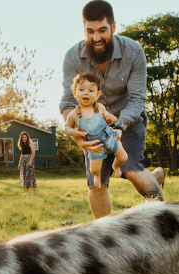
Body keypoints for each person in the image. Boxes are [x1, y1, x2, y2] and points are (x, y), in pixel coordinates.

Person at [60, 0, 164, 219]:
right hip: (91, 126)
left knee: (131, 170)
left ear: (113, 27)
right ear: (84, 29)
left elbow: (137, 99)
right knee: (97, 184)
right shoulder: (72, 56)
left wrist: (118, 128)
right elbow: (68, 101)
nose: (96, 37)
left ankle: (165, 216)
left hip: (128, 119)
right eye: (90, 31)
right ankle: (104, 239)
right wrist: (75, 133)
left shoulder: (134, 51)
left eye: (102, 30)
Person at [65, 72, 128, 188]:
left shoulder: (100, 108)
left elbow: (108, 116)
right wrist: (73, 131)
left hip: (108, 137)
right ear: (74, 93)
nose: (86, 93)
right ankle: (97, 176)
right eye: (82, 89)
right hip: (95, 145)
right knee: (94, 169)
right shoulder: (74, 115)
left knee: (123, 157)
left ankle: (116, 166)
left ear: (97, 94)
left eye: (91, 90)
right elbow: (67, 127)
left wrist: (112, 118)